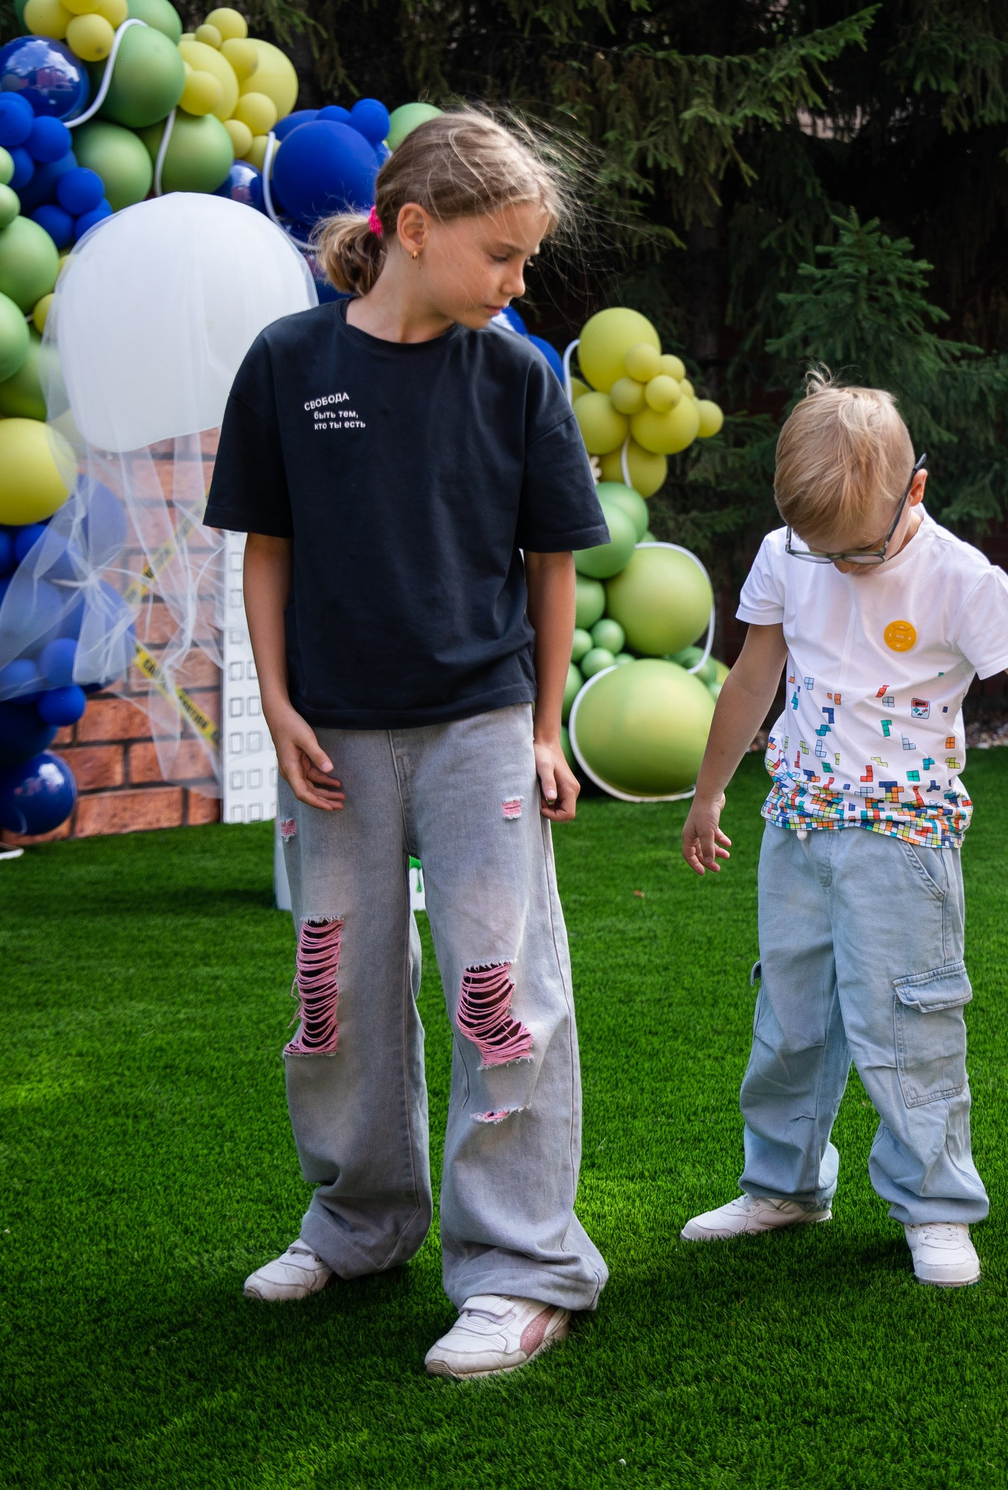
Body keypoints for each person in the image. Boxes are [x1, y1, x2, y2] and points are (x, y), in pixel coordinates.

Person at [203, 110, 611, 1379]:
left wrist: (542, 728)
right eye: (502, 254)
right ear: (416, 230)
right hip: (331, 732)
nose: (518, 281)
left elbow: (552, 564)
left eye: (528, 258)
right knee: (333, 992)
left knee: (501, 995)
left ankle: (522, 1267)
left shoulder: (517, 377)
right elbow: (266, 549)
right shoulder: (287, 362)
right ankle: (358, 1223)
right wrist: (277, 707)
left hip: (480, 726)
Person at [678, 377, 1008, 1287]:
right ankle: (783, 1186)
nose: (840, 566)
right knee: (789, 1020)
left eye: (858, 550)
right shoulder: (786, 552)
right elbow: (754, 676)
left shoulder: (963, 579)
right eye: (821, 550)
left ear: (915, 489)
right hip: (796, 825)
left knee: (909, 1024)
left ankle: (935, 1204)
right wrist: (709, 791)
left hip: (903, 839)